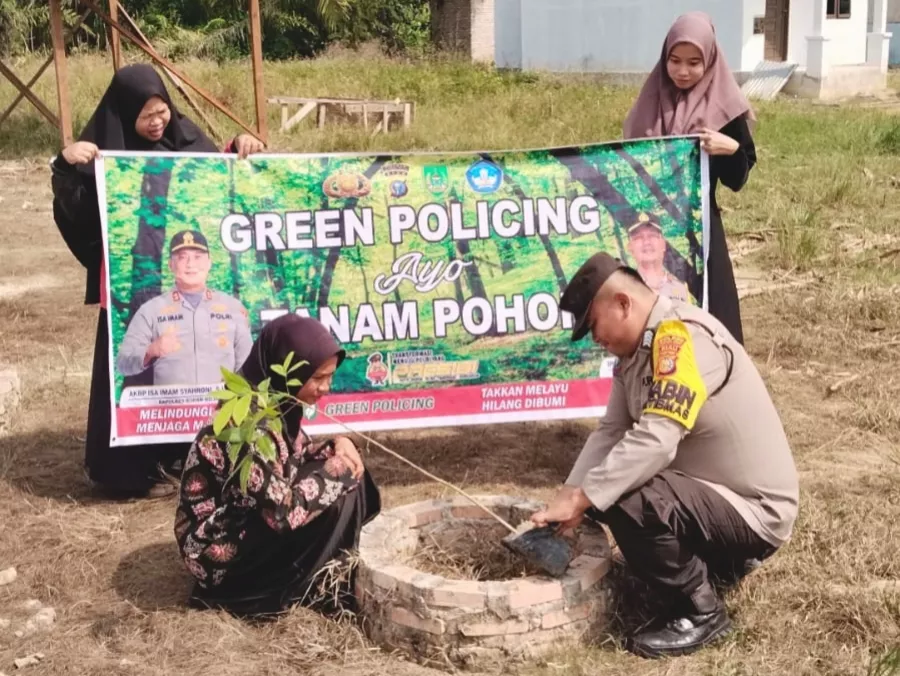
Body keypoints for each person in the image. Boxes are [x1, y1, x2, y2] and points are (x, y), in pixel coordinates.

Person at [532, 252, 798, 658]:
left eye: (594, 325)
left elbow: (658, 438)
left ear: (623, 303)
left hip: (754, 512)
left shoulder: (682, 339)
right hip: (712, 495)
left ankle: (700, 611)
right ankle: (711, 565)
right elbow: (612, 431)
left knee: (623, 494)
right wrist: (570, 494)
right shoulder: (635, 353)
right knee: (604, 486)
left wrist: (587, 495)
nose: (594, 339)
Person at [50, 63, 265, 498]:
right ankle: (127, 472)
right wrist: (66, 166)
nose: (156, 122)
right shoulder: (104, 153)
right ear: (125, 114)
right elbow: (77, 215)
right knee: (135, 368)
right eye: (145, 115)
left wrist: (240, 147)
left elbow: (220, 170)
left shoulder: (184, 139)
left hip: (189, 292)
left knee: (191, 369)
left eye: (161, 110)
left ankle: (191, 462)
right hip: (135, 290)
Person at [175, 314, 381, 618]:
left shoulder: (277, 405)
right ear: (285, 372)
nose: (327, 387)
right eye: (318, 377)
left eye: (329, 376)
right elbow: (282, 513)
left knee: (349, 474)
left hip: (251, 517)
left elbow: (294, 459)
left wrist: (340, 443)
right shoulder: (249, 425)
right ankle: (306, 589)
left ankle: (326, 578)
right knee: (338, 493)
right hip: (216, 551)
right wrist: (337, 471)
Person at [622, 11, 757, 345]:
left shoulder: (726, 108)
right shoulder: (650, 103)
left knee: (715, 314)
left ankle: (718, 382)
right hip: (653, 228)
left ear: (709, 60)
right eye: (675, 60)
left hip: (702, 228)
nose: (682, 71)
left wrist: (731, 148)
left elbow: (737, 179)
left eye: (694, 62)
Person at [116, 230, 252, 386]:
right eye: (182, 257)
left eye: (197, 257)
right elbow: (123, 363)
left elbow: (248, 364)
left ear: (209, 263)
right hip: (171, 408)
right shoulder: (151, 311)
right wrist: (151, 350)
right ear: (171, 265)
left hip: (223, 406)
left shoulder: (232, 308)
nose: (190, 264)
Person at [626, 213, 692, 303]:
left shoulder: (680, 288)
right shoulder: (624, 290)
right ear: (630, 247)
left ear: (663, 244)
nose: (646, 242)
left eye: (652, 235)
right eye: (638, 237)